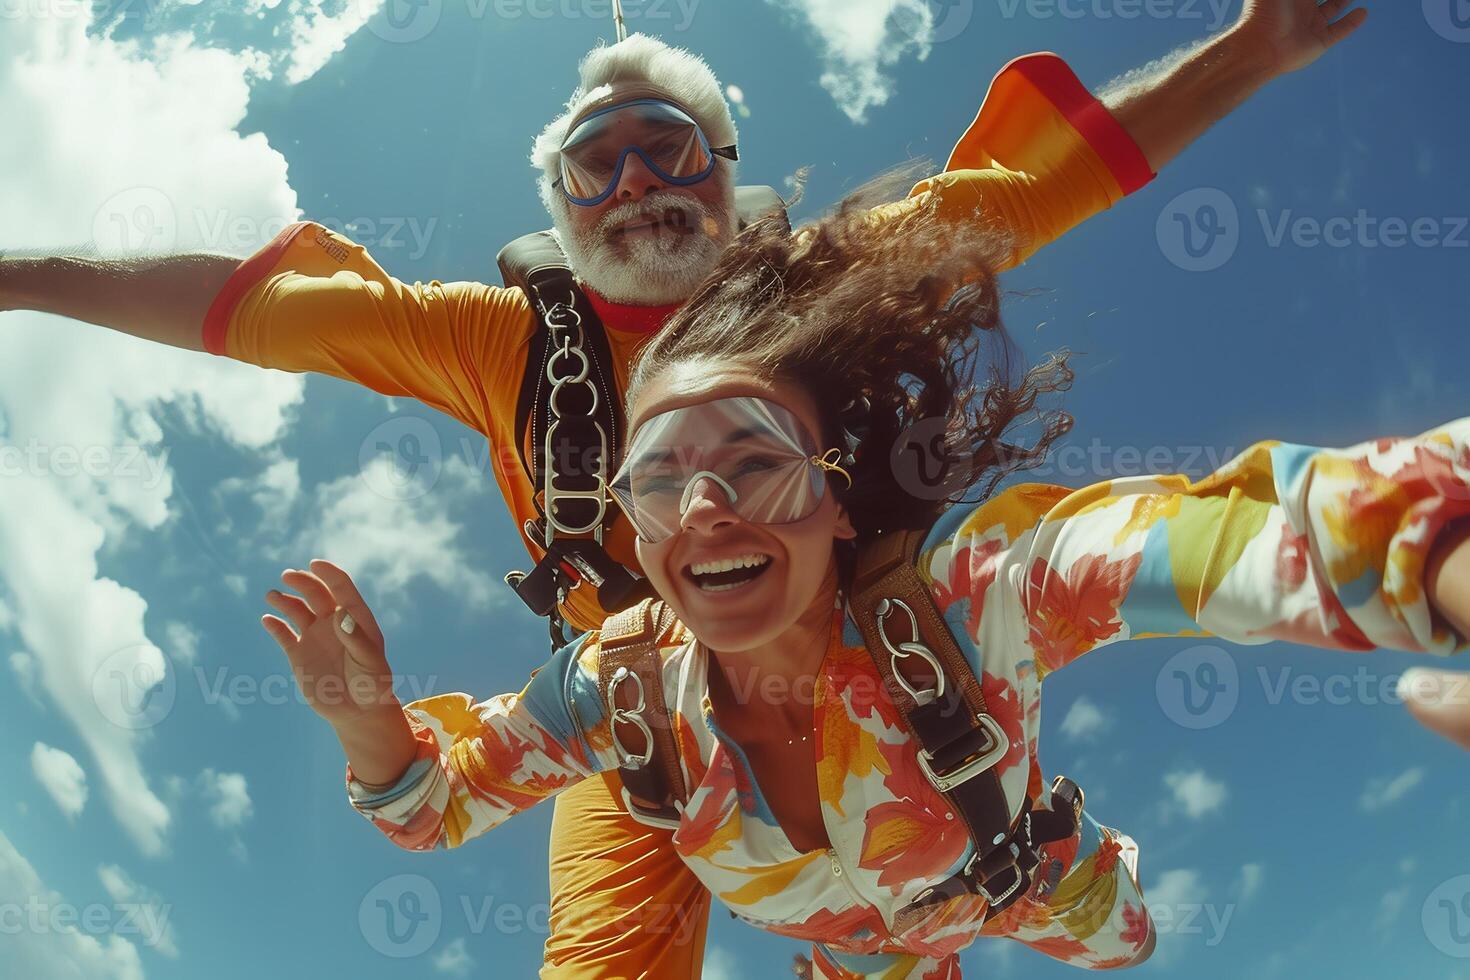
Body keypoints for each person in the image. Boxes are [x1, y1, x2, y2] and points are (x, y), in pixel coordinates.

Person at [0, 4, 1372, 973]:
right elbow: (261, 310)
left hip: (872, 668)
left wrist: (1253, 48)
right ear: (558, 204)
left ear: (729, 179)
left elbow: (1028, 187)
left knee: (940, 908)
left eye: (672, 148)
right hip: (634, 707)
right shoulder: (498, 341)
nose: (637, 180)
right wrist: (16, 274)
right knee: (605, 965)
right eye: (597, 163)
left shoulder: (835, 272)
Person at [259, 186, 1468, 978]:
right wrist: (366, 721)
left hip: (1027, 871)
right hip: (867, 959)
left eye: (755, 459)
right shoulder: (613, 687)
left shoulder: (966, 597)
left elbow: (1212, 539)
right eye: (661, 477)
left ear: (839, 497)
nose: (708, 504)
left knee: (1126, 940)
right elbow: (432, 805)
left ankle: (1076, 855)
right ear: (630, 516)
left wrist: (1440, 557)